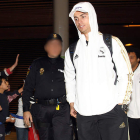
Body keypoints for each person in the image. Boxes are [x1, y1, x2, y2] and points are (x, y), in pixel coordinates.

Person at [64, 2, 133, 140]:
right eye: (76, 18)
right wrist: (72, 102)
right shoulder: (71, 51)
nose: (79, 21)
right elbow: (69, 78)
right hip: (84, 114)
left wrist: (121, 102)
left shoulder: (111, 42)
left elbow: (125, 73)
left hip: (111, 110)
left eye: (83, 16)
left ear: (93, 16)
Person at [23, 33, 73, 140]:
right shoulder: (37, 64)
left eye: (58, 44)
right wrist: (26, 110)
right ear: (46, 47)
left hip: (61, 109)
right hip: (41, 110)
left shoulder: (67, 64)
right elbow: (27, 88)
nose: (55, 47)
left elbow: (74, 86)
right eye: (52, 44)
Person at [127, 47, 140, 140]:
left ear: (138, 59)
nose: (129, 60)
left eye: (132, 57)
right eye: (127, 58)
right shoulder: (124, 74)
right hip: (130, 116)